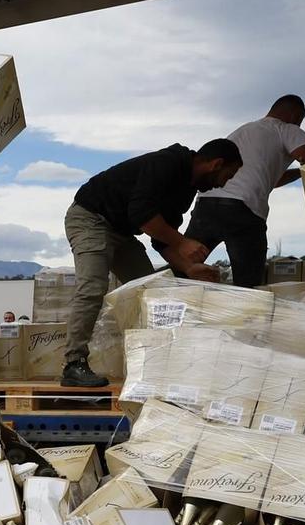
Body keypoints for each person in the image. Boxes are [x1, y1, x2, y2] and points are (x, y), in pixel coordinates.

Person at [61, 139, 244, 387]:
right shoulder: (166, 164)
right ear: (216, 164)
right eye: (228, 175)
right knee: (93, 287)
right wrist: (183, 243)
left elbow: (160, 238)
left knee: (152, 291)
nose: (223, 183)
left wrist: (189, 267)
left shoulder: (186, 188)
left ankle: (160, 361)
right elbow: (143, 216)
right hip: (90, 218)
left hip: (121, 230)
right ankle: (74, 364)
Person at [185, 94, 305, 288]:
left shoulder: (244, 131)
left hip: (206, 205)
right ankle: (246, 317)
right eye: (299, 122)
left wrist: (301, 173)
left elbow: (273, 181)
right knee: (248, 284)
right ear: (294, 116)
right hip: (243, 209)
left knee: (185, 268)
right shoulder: (285, 128)